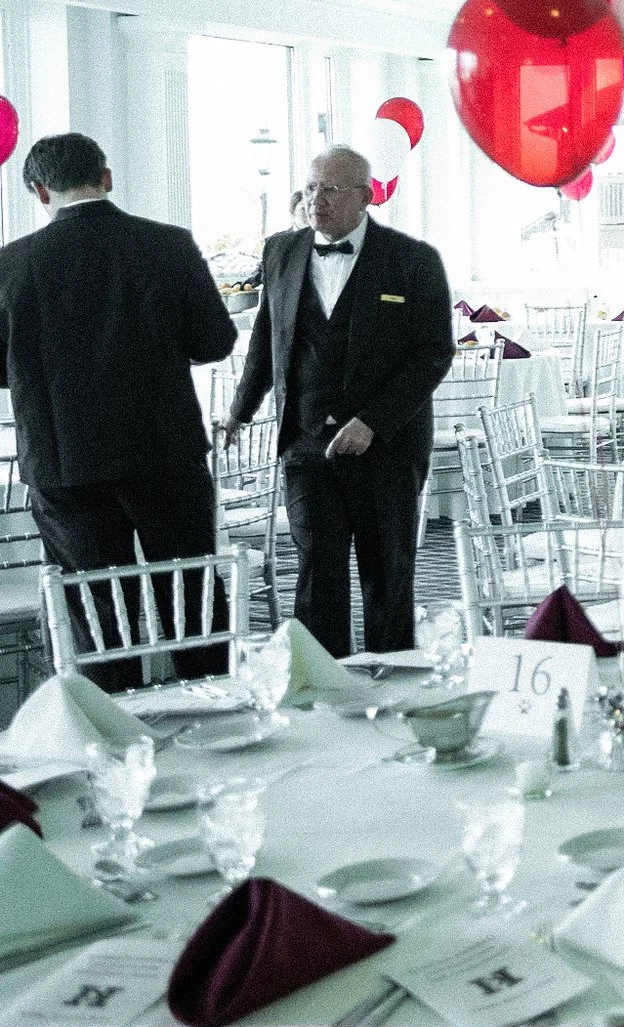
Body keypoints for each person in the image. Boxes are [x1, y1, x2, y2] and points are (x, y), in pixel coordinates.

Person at [0, 134, 237, 687]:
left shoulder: (10, 264)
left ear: (40, 191)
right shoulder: (169, 245)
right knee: (192, 599)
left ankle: (115, 737)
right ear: (106, 178)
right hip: (164, 456)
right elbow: (214, 341)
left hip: (64, 463)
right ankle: (217, 717)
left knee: (98, 616)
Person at [222, 146, 453, 656]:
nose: (315, 200)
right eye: (309, 188)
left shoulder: (413, 260)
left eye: (329, 189)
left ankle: (393, 692)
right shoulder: (280, 252)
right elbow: (267, 337)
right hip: (305, 447)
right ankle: (325, 697)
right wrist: (240, 410)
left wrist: (372, 422)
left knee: (386, 576)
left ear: (365, 197)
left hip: (386, 449)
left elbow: (433, 354)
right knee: (316, 575)